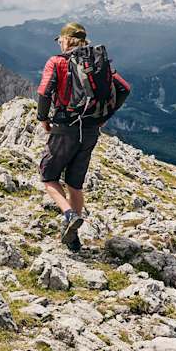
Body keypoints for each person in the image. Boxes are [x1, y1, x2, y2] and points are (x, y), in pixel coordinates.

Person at [37, 22, 131, 252]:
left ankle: (69, 215)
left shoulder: (57, 61)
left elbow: (44, 91)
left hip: (66, 126)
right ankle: (74, 238)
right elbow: (124, 88)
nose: (59, 42)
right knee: (74, 184)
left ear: (67, 40)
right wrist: (103, 116)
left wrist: (43, 118)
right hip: (90, 130)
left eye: (60, 39)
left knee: (49, 176)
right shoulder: (98, 63)